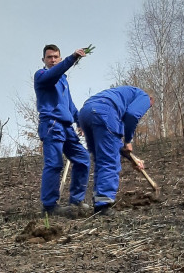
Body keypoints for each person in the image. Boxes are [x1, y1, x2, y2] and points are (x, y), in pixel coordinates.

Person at [33, 44, 90, 217]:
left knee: (83, 158)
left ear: (59, 57)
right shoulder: (41, 75)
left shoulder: (63, 80)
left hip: (66, 127)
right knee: (54, 164)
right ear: (43, 60)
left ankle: (76, 200)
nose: (52, 60)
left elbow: (70, 105)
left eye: (56, 57)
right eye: (49, 57)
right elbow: (53, 73)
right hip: (52, 125)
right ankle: (49, 206)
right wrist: (72, 58)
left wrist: (80, 122)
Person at [77, 86, 151, 216]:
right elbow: (132, 115)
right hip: (103, 113)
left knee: (102, 159)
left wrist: (131, 158)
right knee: (109, 161)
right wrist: (128, 140)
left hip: (85, 113)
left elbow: (114, 143)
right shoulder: (145, 97)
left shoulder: (120, 96)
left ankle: (99, 201)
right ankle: (103, 206)